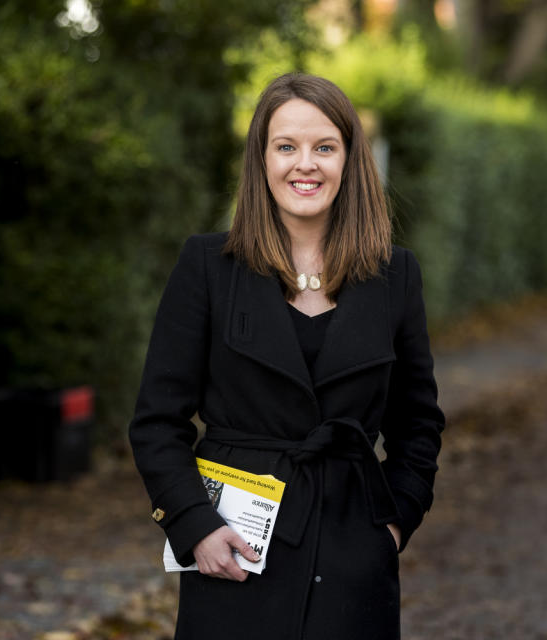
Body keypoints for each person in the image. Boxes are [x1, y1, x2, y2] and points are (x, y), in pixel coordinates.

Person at [129, 72, 444, 640]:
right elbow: (156, 422)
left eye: (325, 147)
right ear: (261, 160)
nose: (306, 164)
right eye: (286, 147)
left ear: (350, 161)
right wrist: (194, 524)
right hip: (234, 552)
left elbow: (417, 423)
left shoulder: (395, 276)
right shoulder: (207, 267)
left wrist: (393, 525)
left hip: (354, 554)